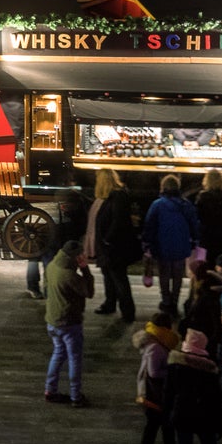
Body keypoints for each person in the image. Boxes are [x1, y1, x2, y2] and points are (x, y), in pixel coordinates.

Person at [140, 175, 202, 315]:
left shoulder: (157, 205)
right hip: (181, 245)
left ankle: (166, 301)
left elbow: (149, 225)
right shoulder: (186, 205)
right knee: (178, 275)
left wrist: (146, 242)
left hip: (162, 245)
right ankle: (175, 301)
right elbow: (194, 225)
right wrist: (195, 241)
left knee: (164, 275)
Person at [43, 238, 93, 408]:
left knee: (58, 354)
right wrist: (85, 269)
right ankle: (76, 396)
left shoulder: (51, 266)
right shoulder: (70, 275)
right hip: (69, 322)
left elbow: (46, 288)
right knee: (74, 359)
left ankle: (50, 390)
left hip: (52, 320)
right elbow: (89, 291)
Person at [90, 170, 143, 323]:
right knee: (109, 275)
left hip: (114, 246)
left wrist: (107, 239)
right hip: (109, 246)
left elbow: (118, 221)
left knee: (118, 278)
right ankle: (110, 303)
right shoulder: (112, 197)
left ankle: (127, 312)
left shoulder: (117, 197)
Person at [133, 312, 179, 444]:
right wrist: (171, 371)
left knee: (153, 428)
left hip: (154, 395)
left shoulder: (155, 342)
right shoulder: (156, 347)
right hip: (155, 396)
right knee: (165, 428)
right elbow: (153, 372)